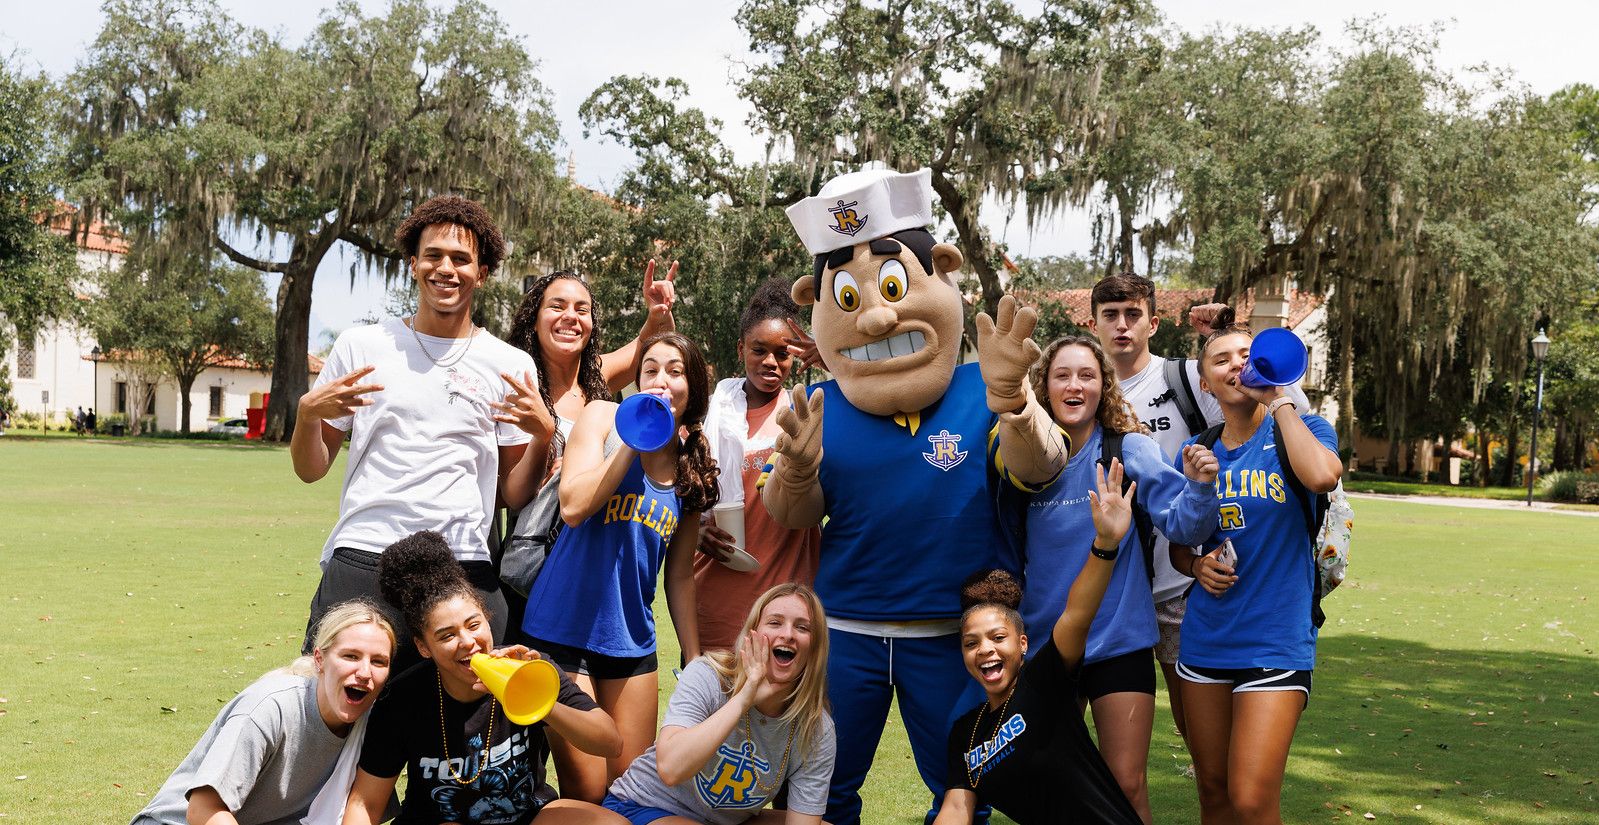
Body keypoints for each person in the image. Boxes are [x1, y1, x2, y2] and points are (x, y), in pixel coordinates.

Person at [764, 167, 1065, 825]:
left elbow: (1038, 466)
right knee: (821, 788)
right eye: (846, 297)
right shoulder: (819, 404)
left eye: (894, 285)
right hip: (847, 630)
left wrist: (1013, 401)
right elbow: (789, 514)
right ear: (815, 300)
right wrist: (793, 471)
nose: (875, 313)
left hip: (949, 633)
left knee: (963, 787)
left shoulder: (978, 385)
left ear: (945, 271)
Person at [289, 195, 554, 668]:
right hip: (367, 552)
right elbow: (311, 470)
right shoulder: (362, 345)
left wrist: (542, 434)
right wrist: (308, 417)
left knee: (457, 727)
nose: (445, 269)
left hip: (461, 564)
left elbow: (514, 494)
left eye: (461, 259)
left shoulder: (510, 365)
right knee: (336, 714)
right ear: (413, 264)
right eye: (433, 255)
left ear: (483, 272)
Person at [998, 334, 1218, 822]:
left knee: (1126, 784)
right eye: (1062, 375)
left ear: (1103, 387)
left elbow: (1185, 524)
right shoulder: (1022, 461)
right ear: (1044, 386)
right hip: (1046, 646)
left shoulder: (1127, 449)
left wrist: (1201, 488)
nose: (1075, 385)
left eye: (1087, 376)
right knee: (1050, 784)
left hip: (1119, 641)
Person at [1087, 273, 1310, 747]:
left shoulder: (1185, 377)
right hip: (1110, 579)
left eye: (1133, 314)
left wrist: (1238, 342)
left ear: (1154, 322)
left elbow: (1267, 418)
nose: (1122, 326)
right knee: (1114, 720)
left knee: (1197, 726)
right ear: (1093, 324)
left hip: (1182, 582)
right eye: (1111, 316)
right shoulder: (1085, 387)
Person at [521, 332, 718, 802]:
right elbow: (573, 506)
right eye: (650, 369)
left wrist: (693, 658)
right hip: (561, 632)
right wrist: (632, 440)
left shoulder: (690, 464)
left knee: (628, 792)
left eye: (674, 371)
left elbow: (680, 574)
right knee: (586, 792)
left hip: (631, 642)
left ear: (691, 390)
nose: (660, 380)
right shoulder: (602, 417)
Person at [1173, 310, 1341, 825]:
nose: (1237, 365)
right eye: (1221, 359)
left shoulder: (1305, 429)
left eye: (1246, 355)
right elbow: (1181, 542)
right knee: (1215, 794)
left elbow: (1321, 477)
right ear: (1206, 382)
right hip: (1206, 638)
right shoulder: (1197, 449)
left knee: (1251, 800)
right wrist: (1197, 564)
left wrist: (1280, 399)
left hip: (1276, 638)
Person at [345, 531, 621, 825]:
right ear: (424, 647)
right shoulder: (403, 698)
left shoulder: (528, 667)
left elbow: (610, 743)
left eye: (474, 624)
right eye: (447, 635)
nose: (468, 642)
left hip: (526, 815)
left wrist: (537, 700)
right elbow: (366, 803)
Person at [932, 462, 1146, 825]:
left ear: (1023, 644)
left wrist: (1106, 543)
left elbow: (1077, 613)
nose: (985, 649)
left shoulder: (1044, 684)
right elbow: (955, 809)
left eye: (998, 638)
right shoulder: (967, 735)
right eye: (972, 643)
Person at [538, 583, 836, 825]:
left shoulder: (816, 727)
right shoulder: (708, 675)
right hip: (645, 806)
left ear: (816, 647)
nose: (787, 634)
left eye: (803, 628)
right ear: (752, 635)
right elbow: (670, 768)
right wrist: (746, 698)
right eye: (775, 622)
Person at [500, 266, 678, 642]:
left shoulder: (597, 377)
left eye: (582, 309)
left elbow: (653, 346)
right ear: (534, 319)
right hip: (536, 568)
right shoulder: (519, 386)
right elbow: (512, 496)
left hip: (594, 567)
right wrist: (545, 439)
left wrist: (659, 311)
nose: (571, 317)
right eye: (557, 306)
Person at [131, 600, 396, 825]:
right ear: (319, 659)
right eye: (350, 656)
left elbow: (365, 807)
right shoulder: (270, 707)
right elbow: (203, 810)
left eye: (378, 661)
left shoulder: (374, 723)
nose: (364, 673)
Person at [694, 278, 821, 652]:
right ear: (740, 350)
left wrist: (828, 356)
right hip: (714, 595)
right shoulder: (707, 416)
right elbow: (674, 498)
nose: (770, 362)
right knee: (717, 705)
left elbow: (868, 388)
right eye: (758, 350)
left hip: (784, 601)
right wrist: (695, 533)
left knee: (782, 707)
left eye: (783, 353)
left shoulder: (805, 413)